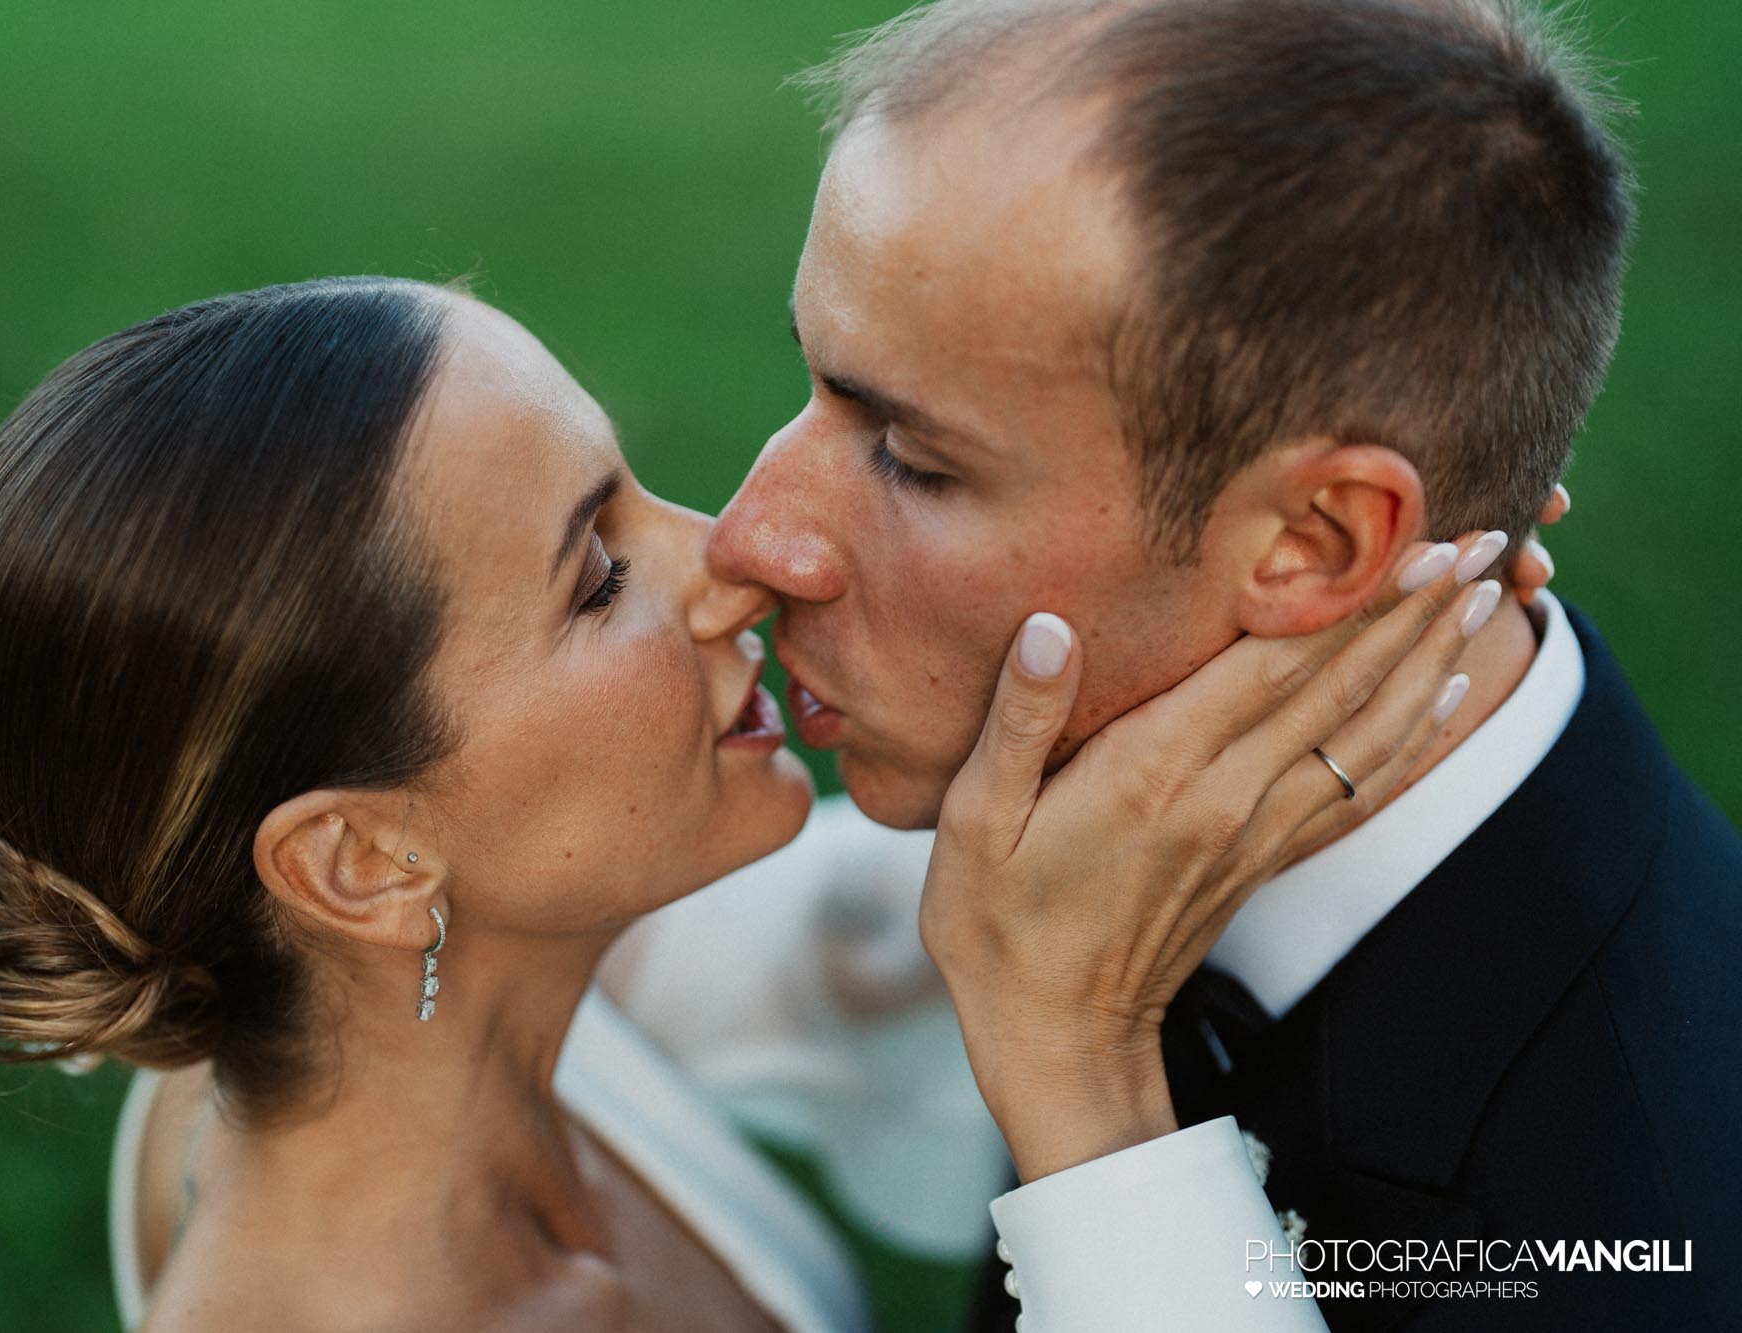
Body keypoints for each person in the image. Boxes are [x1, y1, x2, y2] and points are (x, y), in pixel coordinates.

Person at [0, 277, 1510, 1330]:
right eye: (599, 575)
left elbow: (844, 944)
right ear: (360, 857)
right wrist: (1077, 1069)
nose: (736, 556)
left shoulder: (363, 1035)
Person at [701, 0, 1742, 1328]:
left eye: (913, 458)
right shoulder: (1097, 819)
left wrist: (1079, 1080)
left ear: (1317, 544)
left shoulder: (1651, 1234)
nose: (750, 538)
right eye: (816, 381)